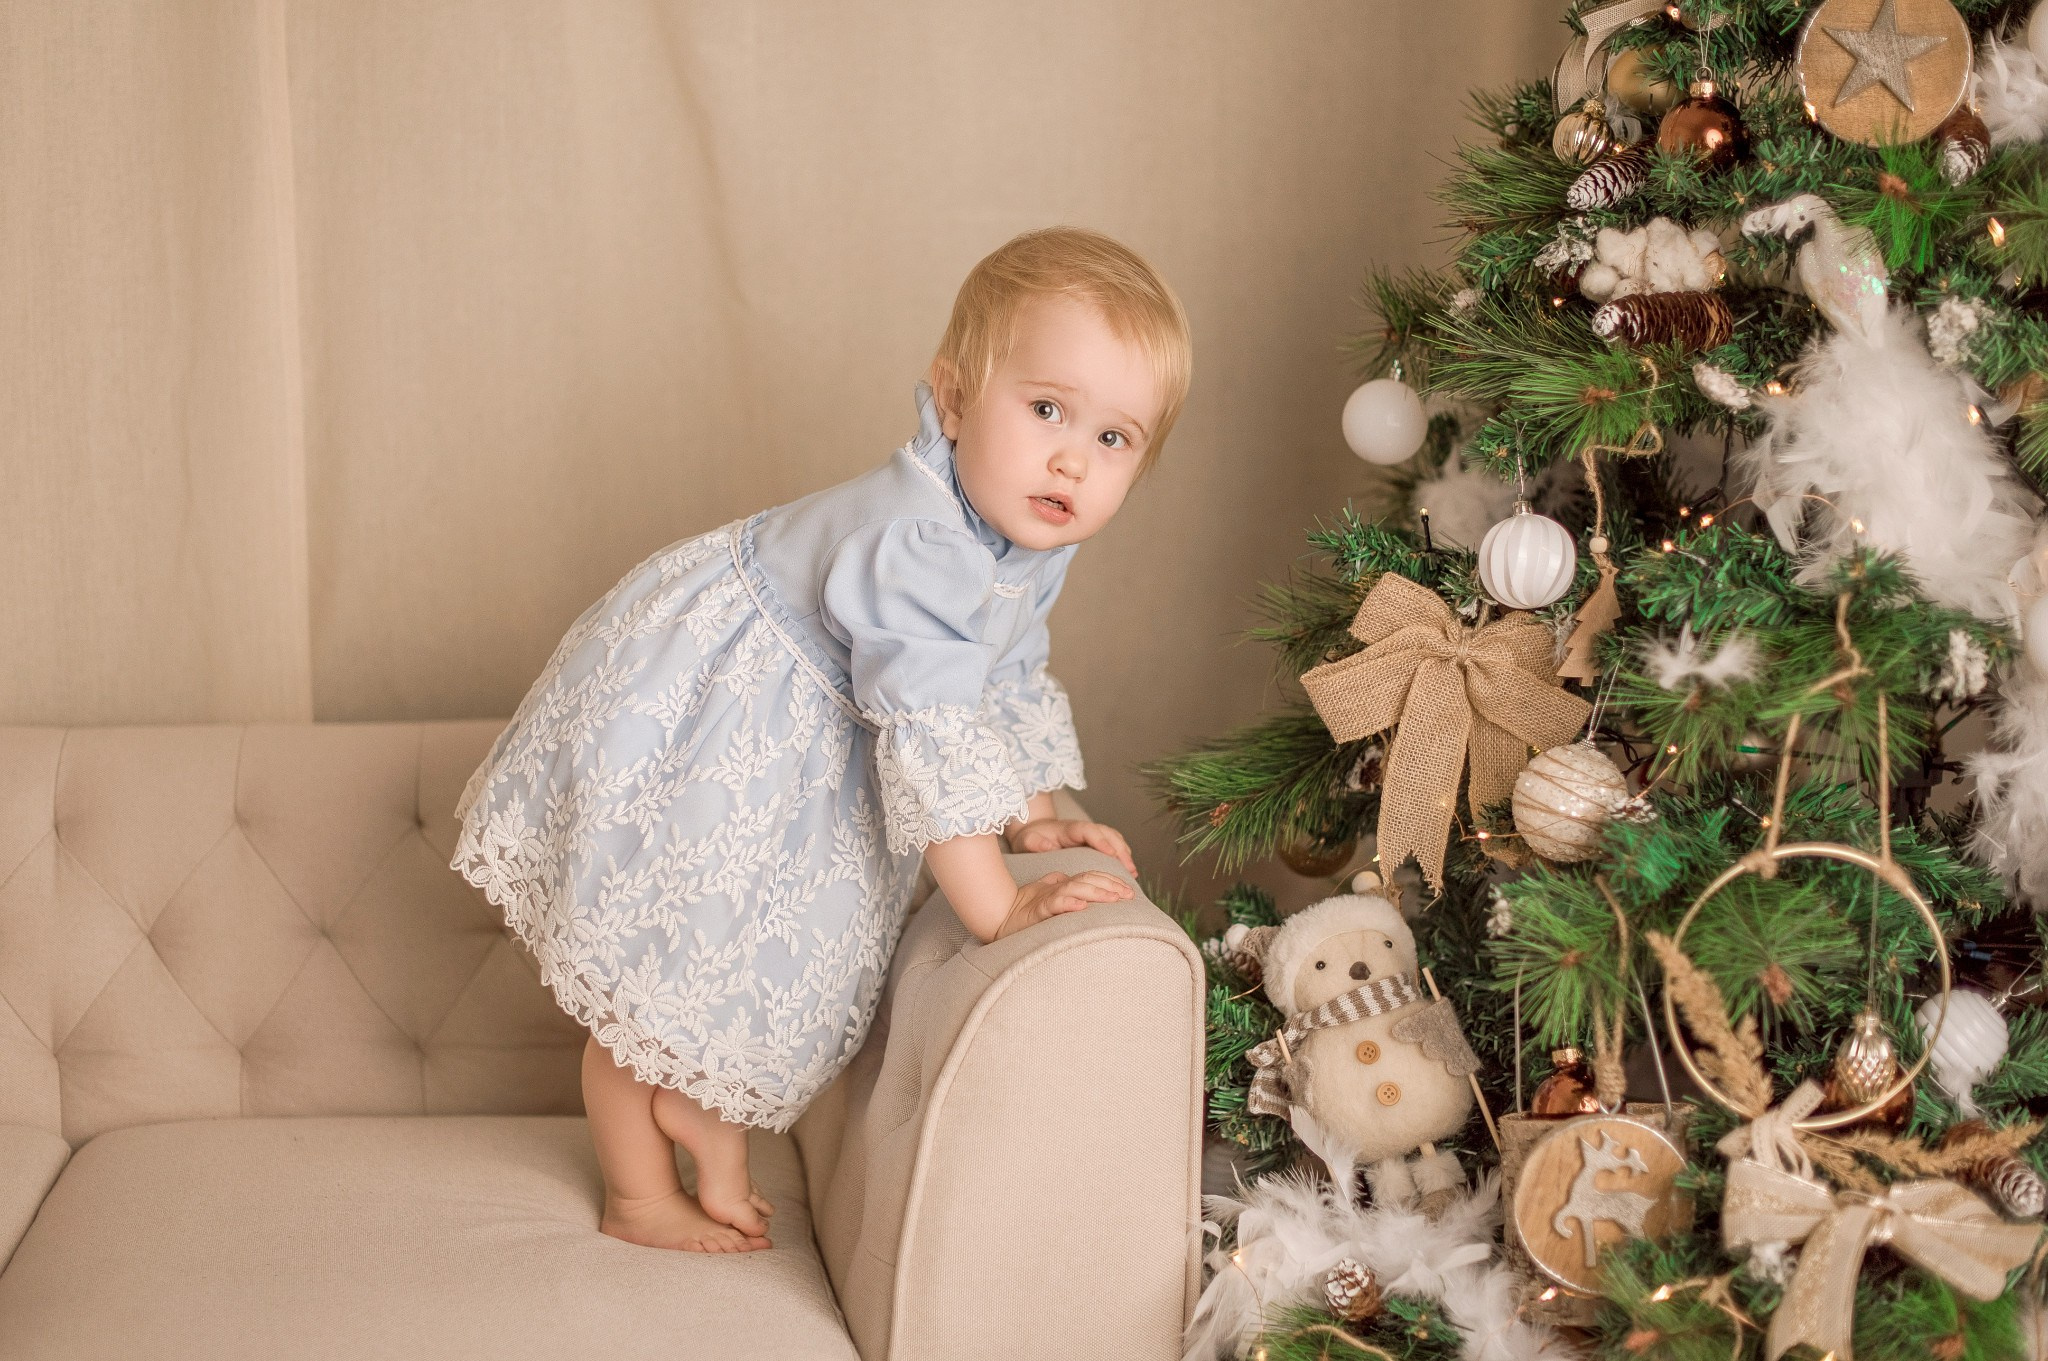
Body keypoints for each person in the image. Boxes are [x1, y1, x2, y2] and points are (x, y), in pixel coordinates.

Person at [450, 225, 1192, 1252]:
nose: (1073, 454)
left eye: (1115, 438)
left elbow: (998, 675)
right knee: (666, 951)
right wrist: (1000, 902)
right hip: (717, 706)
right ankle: (636, 1195)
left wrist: (1034, 810)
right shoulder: (923, 540)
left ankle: (697, 1113)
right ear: (953, 398)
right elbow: (931, 723)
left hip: (806, 728)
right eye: (1047, 408)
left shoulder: (1023, 544)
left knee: (749, 936)